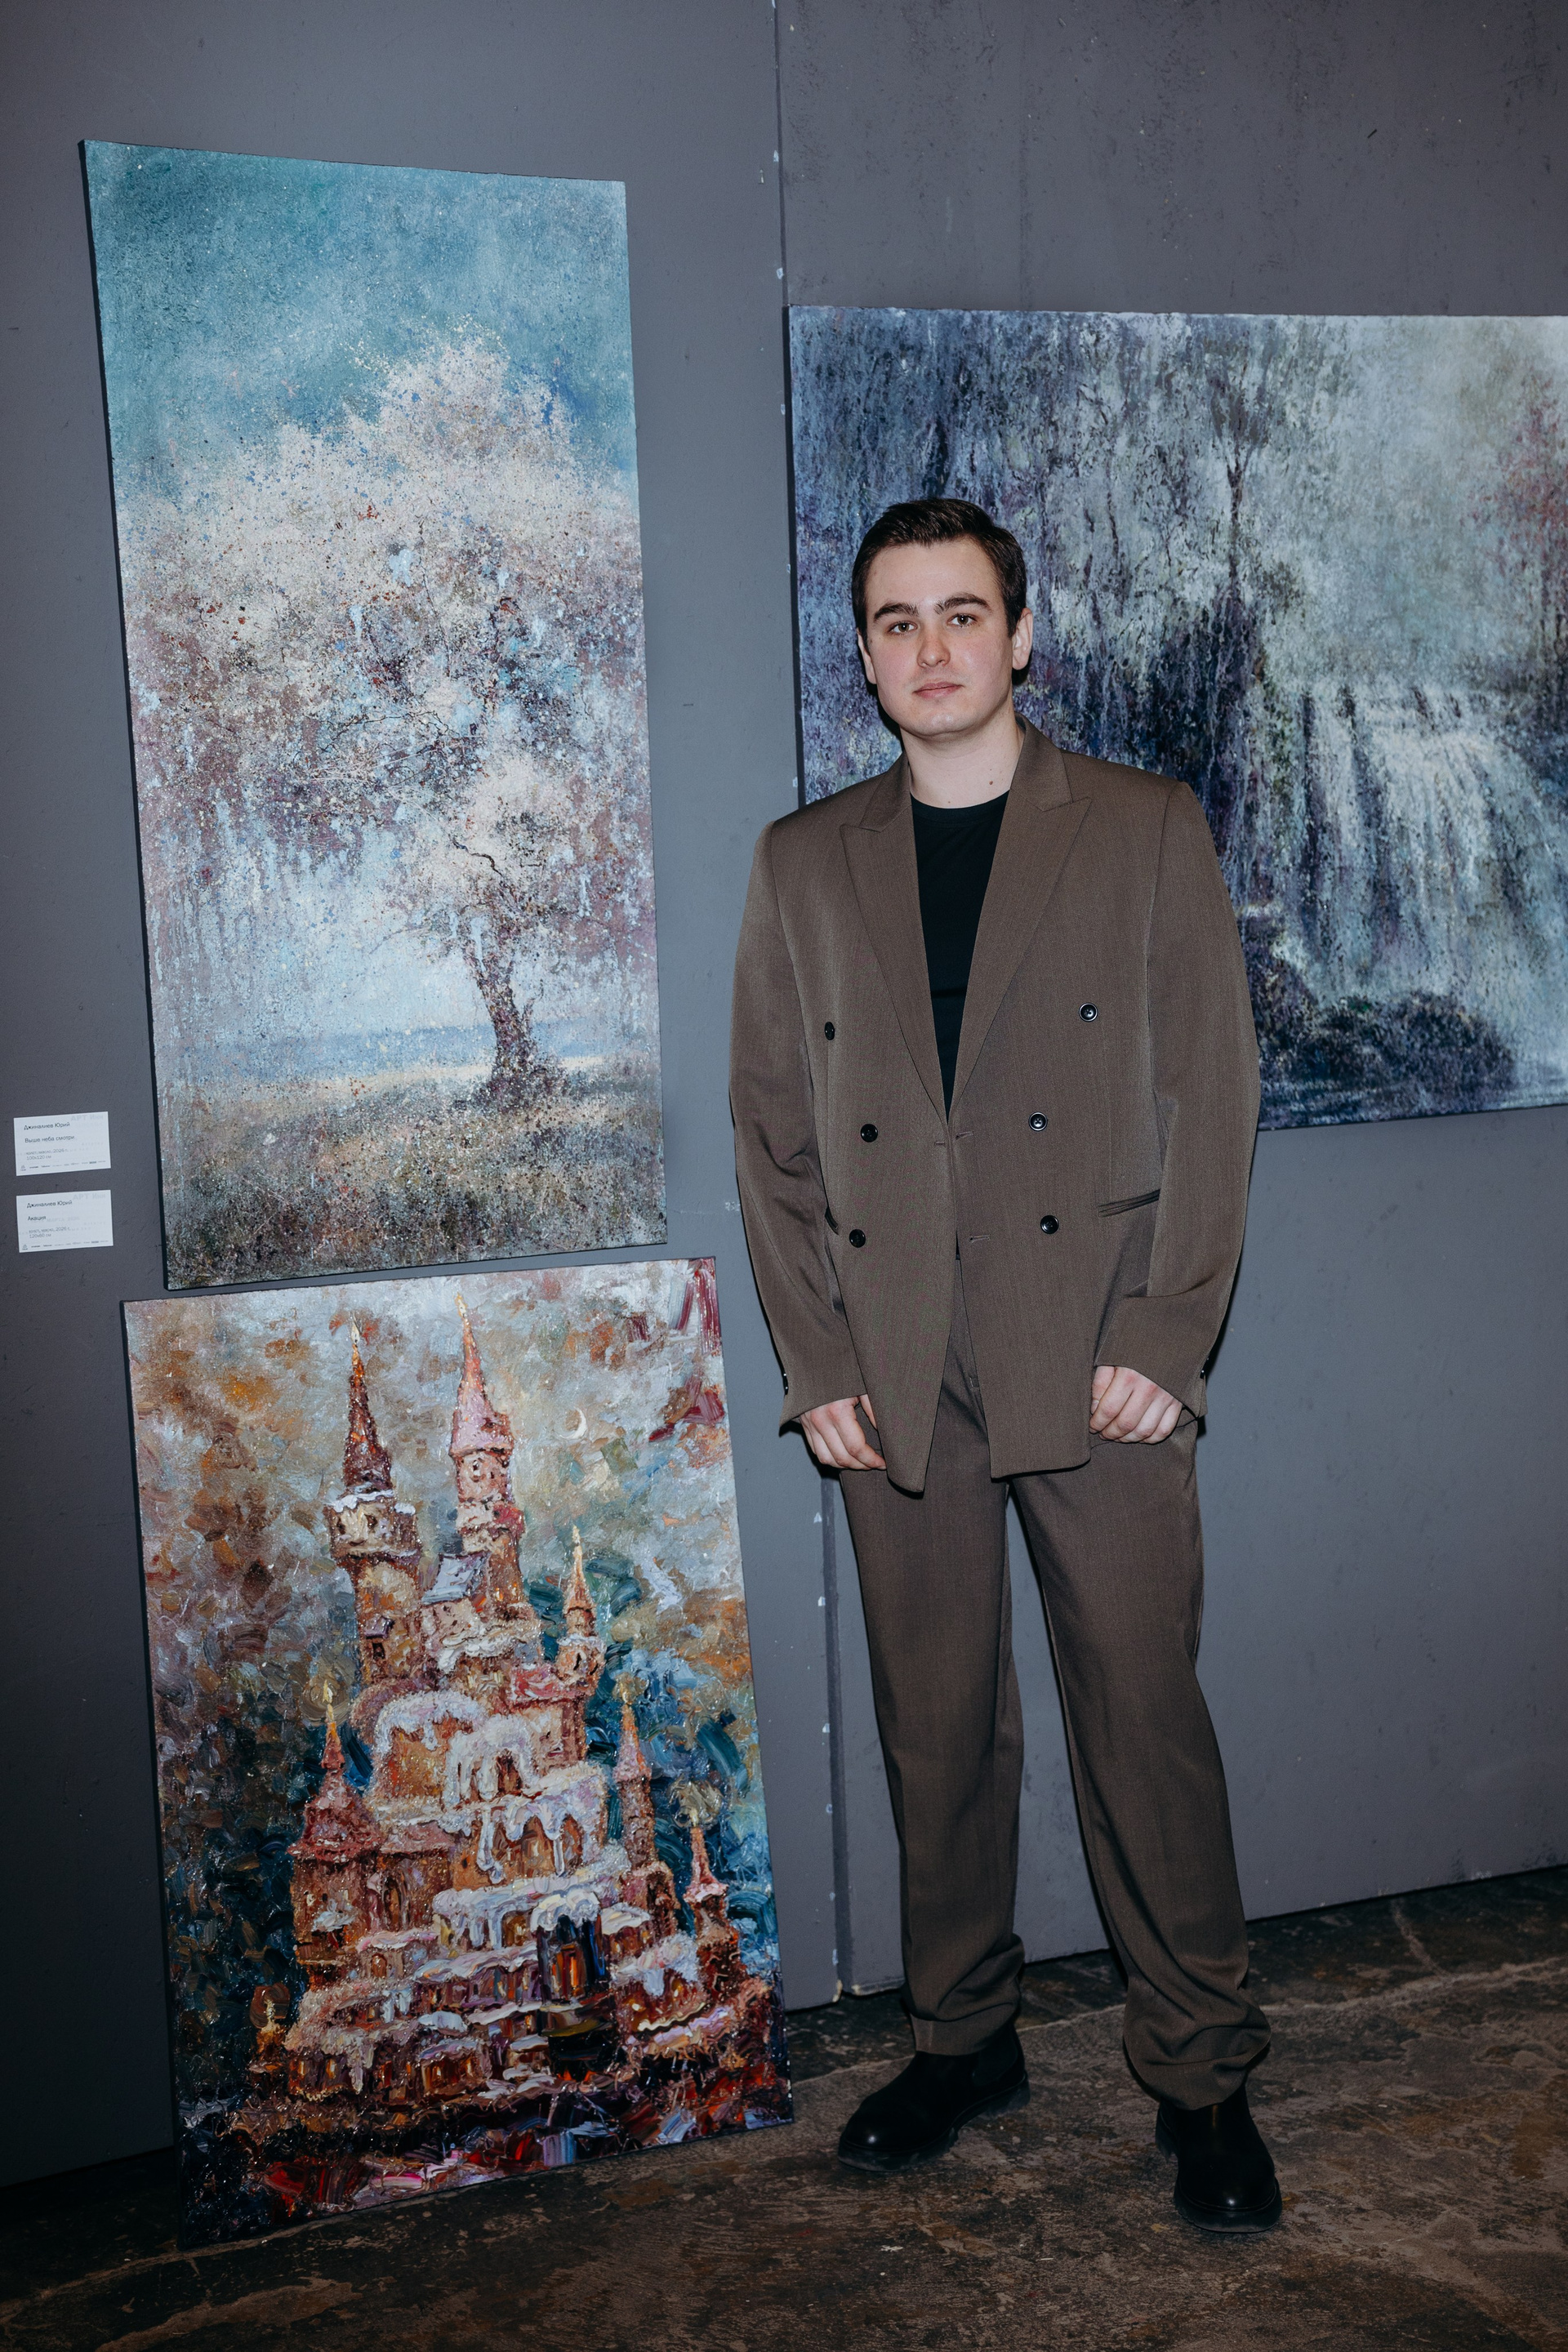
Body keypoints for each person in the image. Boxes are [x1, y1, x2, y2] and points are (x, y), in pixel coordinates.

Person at [729, 497, 1279, 2233]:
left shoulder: (1141, 825)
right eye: (897, 622)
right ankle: (962, 2040)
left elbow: (1212, 1096)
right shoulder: (803, 862)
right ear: (865, 654)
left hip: (1093, 1347)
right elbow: (771, 1134)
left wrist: (1165, 1335)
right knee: (937, 1728)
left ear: (1021, 636)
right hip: (897, 1364)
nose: (934, 649)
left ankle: (1203, 2072)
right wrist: (818, 1355)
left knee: (1144, 1718)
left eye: (963, 614)